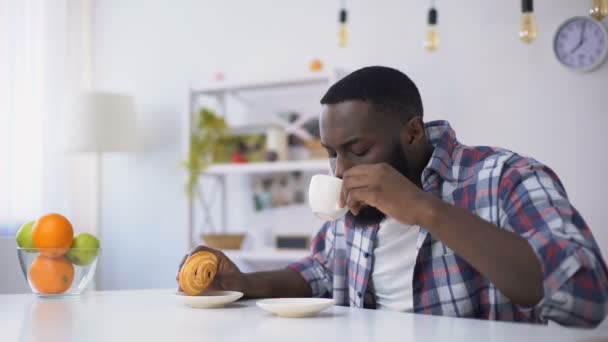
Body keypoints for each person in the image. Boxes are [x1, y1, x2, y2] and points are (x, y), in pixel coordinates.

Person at [178, 66, 608, 327]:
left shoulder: (505, 178)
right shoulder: (353, 210)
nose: (342, 170)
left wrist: (424, 209)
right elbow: (322, 272)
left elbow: (586, 294)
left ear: (413, 133)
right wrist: (242, 283)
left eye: (358, 150)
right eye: (332, 154)